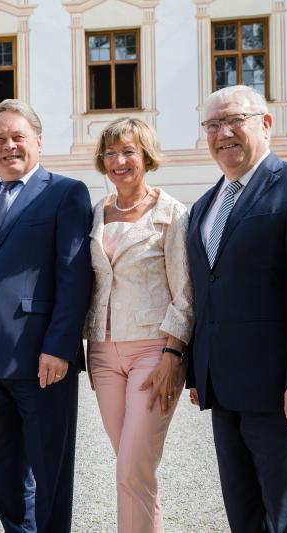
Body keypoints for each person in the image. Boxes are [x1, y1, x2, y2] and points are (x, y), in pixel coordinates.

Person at [186, 85, 287, 532]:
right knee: (246, 519)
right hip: (226, 394)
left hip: (286, 395)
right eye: (213, 124)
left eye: (235, 119)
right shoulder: (204, 206)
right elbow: (207, 293)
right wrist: (200, 372)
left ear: (266, 123)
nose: (224, 133)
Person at [0, 99, 92, 533]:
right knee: (4, 474)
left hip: (41, 361)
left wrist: (60, 347)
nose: (9, 146)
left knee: (50, 474)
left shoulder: (64, 193)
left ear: (38, 142)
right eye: (0, 139)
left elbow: (74, 276)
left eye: (18, 137)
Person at [83, 117, 194, 532]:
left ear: (146, 156)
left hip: (154, 350)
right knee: (133, 469)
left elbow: (186, 293)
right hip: (103, 353)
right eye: (110, 153)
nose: (118, 161)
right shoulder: (95, 213)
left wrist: (173, 354)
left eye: (128, 151)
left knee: (133, 467)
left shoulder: (173, 214)